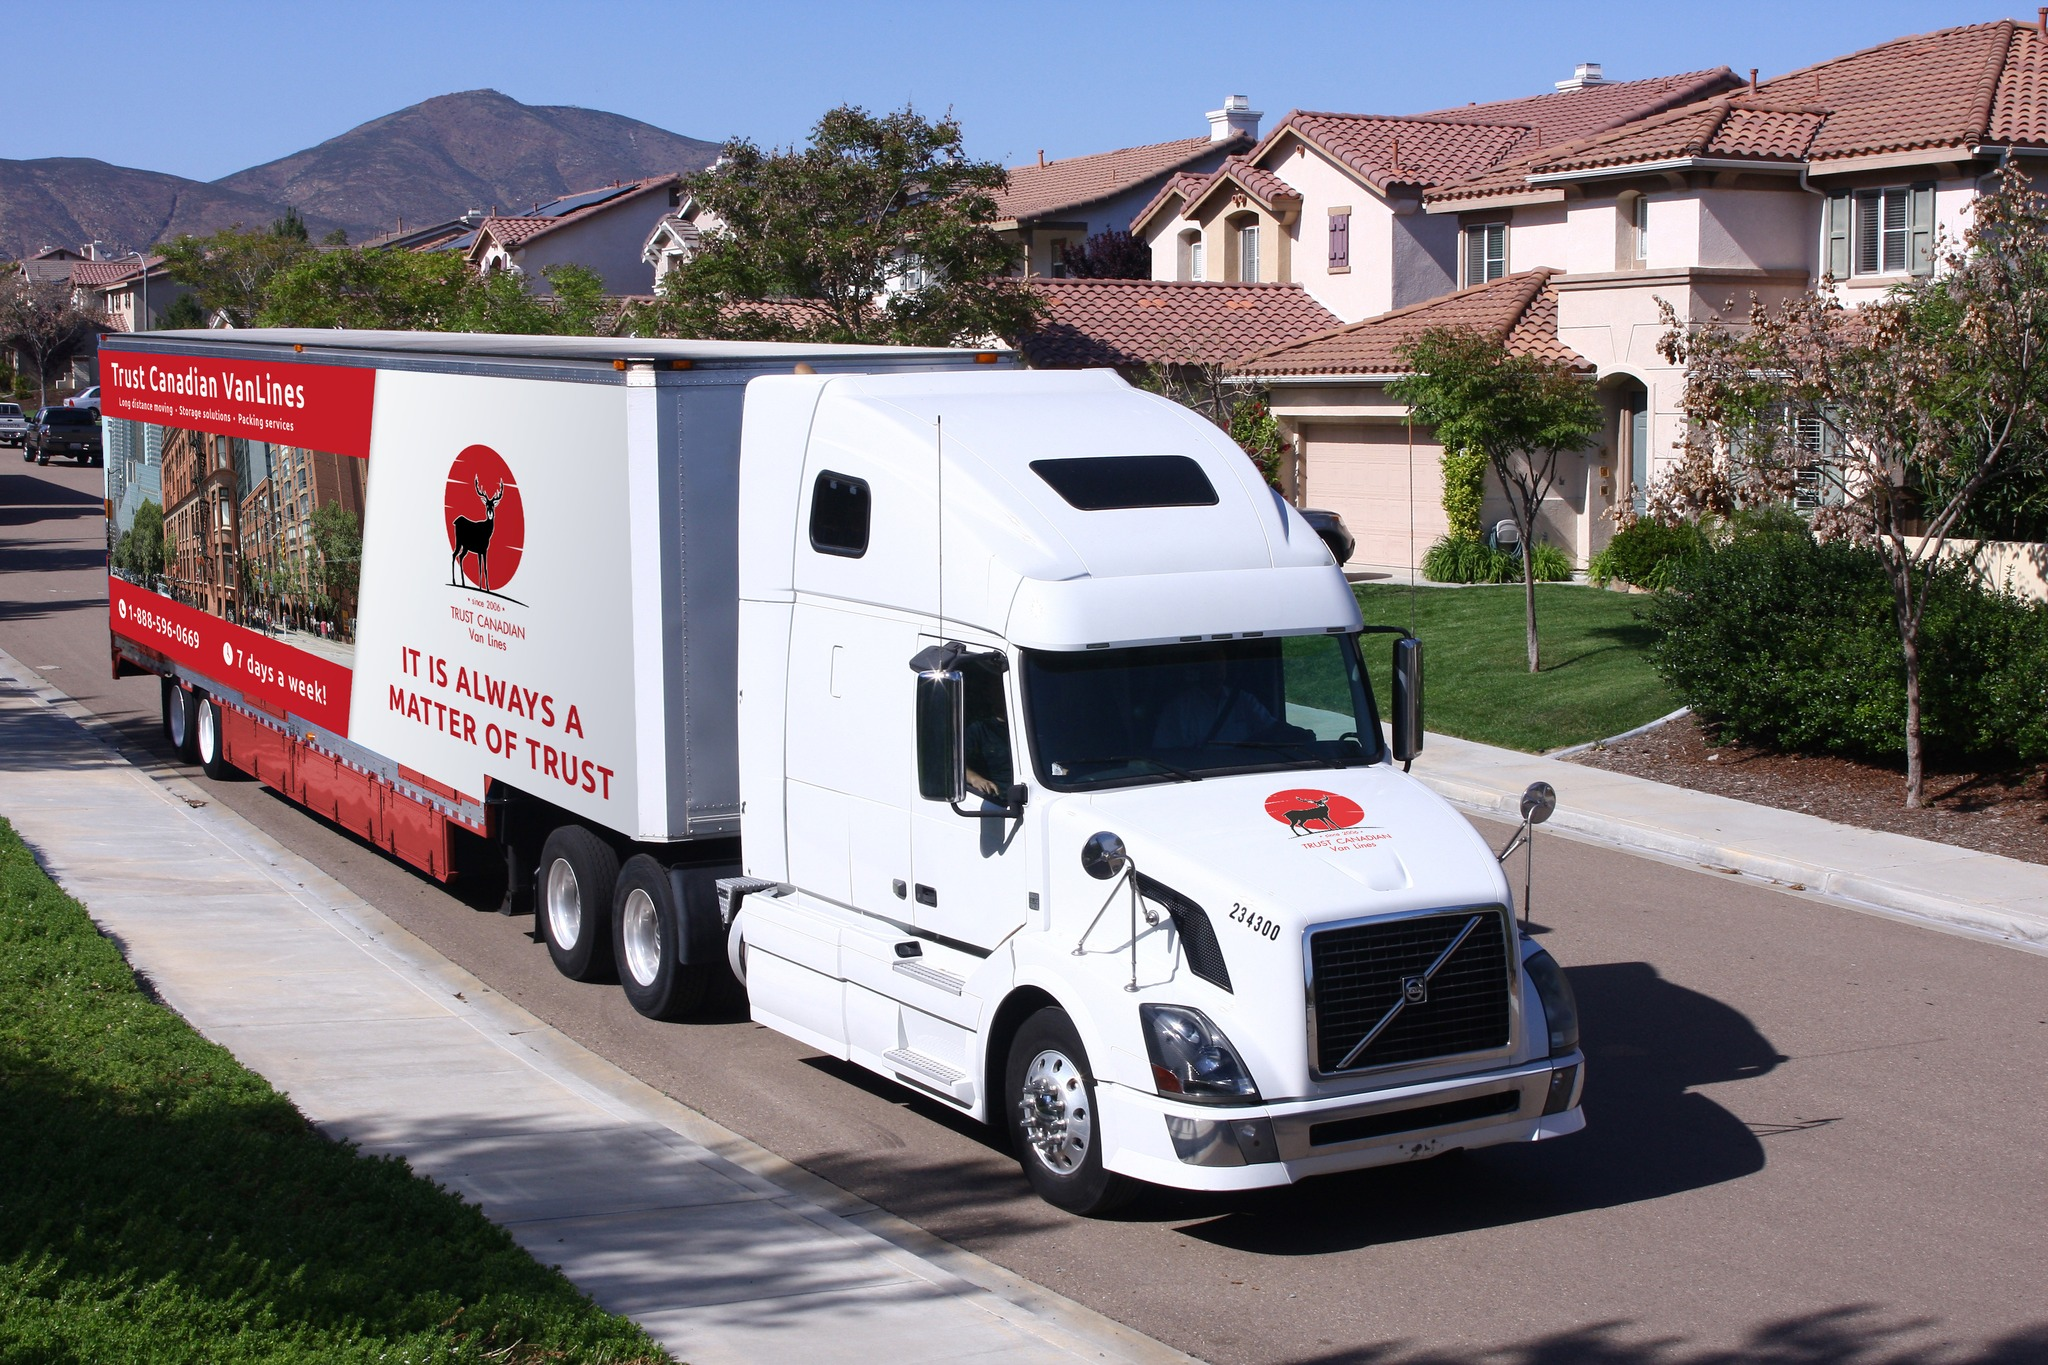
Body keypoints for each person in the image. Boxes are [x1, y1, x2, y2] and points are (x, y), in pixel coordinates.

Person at [1152, 654, 1278, 748]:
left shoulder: (1244, 700)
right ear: (1201, 668)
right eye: (1213, 663)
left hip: (1243, 771)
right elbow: (1164, 753)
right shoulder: (1178, 709)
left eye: (1221, 662)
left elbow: (1272, 729)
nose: (1218, 668)